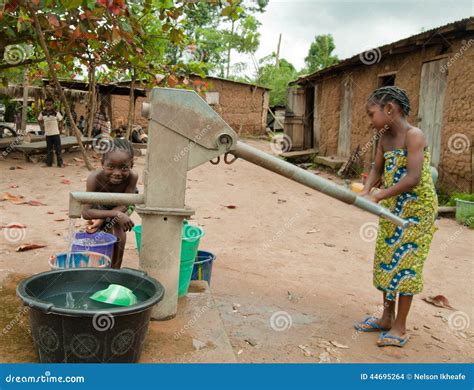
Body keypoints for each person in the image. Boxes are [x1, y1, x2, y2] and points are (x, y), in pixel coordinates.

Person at [354, 86, 438, 347]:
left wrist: (379, 195)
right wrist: (367, 190)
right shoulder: (384, 138)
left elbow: (413, 178)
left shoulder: (414, 136)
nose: (370, 122)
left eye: (372, 114)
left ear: (390, 109)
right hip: (392, 208)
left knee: (407, 266)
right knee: (388, 261)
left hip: (418, 210)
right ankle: (386, 318)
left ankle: (400, 328)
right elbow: (376, 169)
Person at [81, 138, 138, 269]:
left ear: (131, 166)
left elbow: (127, 202)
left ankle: (115, 269)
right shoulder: (94, 179)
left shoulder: (132, 177)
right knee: (101, 230)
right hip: (102, 205)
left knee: (118, 226)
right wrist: (114, 214)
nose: (117, 173)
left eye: (124, 168)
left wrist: (117, 214)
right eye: (111, 166)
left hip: (124, 204)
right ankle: (100, 264)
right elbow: (86, 212)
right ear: (102, 163)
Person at [38, 97, 64, 167]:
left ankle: (60, 164)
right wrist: (42, 127)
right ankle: (48, 164)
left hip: (56, 134)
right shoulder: (42, 113)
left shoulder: (56, 113)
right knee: (49, 150)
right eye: (47, 105)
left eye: (50, 105)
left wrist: (61, 128)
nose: (48, 106)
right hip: (48, 134)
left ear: (52, 105)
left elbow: (61, 120)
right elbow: (39, 120)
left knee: (58, 149)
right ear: (45, 105)